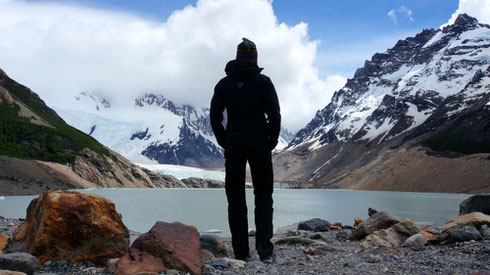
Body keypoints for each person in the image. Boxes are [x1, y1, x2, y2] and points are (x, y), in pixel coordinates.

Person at [210, 38, 281, 263]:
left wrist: (224, 140)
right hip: (259, 142)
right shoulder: (264, 82)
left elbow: (214, 116)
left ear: (237, 57)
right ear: (255, 58)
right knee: (263, 196)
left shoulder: (223, 84)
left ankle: (241, 252)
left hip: (234, 143)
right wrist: (271, 139)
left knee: (235, 198)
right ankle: (265, 250)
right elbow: (275, 114)